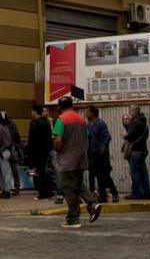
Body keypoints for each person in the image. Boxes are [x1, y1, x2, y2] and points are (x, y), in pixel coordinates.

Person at [54, 95, 101, 229]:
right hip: (81, 159)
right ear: (72, 105)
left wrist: (58, 149)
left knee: (69, 189)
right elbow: (87, 138)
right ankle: (92, 205)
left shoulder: (61, 120)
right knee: (78, 184)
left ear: (59, 107)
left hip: (67, 160)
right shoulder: (81, 119)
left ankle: (73, 219)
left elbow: (58, 140)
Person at [85, 105, 117, 203]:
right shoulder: (89, 125)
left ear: (92, 113)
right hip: (92, 154)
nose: (86, 113)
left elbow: (107, 137)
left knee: (104, 175)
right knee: (94, 174)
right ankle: (101, 196)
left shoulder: (100, 124)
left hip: (101, 154)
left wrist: (103, 148)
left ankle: (114, 193)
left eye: (87, 112)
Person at [124, 106, 150, 200]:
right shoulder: (144, 121)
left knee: (134, 172)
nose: (129, 113)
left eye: (130, 111)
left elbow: (130, 135)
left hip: (135, 149)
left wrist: (126, 136)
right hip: (143, 149)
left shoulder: (134, 122)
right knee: (143, 172)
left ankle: (136, 193)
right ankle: (147, 193)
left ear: (134, 111)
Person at [28, 104, 54, 200]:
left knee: (40, 173)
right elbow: (49, 137)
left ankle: (43, 193)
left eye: (32, 111)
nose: (31, 113)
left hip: (37, 152)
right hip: (46, 151)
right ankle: (49, 192)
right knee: (45, 172)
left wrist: (30, 153)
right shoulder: (46, 122)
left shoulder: (34, 123)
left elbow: (31, 139)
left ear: (35, 111)